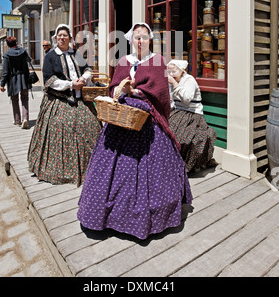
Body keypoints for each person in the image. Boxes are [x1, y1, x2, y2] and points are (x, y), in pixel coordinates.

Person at [77, 23, 192, 240]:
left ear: (150, 40)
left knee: (154, 167)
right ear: (131, 40)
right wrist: (122, 91)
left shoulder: (157, 61)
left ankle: (156, 215)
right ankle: (106, 215)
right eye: (137, 37)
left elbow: (159, 91)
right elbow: (113, 88)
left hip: (147, 120)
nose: (140, 41)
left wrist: (136, 91)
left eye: (144, 37)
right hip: (121, 118)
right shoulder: (123, 61)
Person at [27, 24, 102, 186]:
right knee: (61, 127)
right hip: (59, 99)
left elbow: (88, 68)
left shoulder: (77, 54)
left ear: (70, 38)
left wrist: (84, 78)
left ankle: (92, 167)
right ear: (56, 38)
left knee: (90, 126)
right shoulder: (50, 56)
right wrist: (70, 85)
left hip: (81, 99)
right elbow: (49, 80)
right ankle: (63, 169)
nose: (62, 38)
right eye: (59, 36)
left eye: (65, 35)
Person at [167, 59, 217, 172]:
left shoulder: (189, 80)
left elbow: (186, 100)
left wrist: (174, 84)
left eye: (173, 71)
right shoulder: (172, 81)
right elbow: (171, 100)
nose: (170, 74)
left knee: (183, 137)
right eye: (168, 72)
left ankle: (188, 163)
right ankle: (170, 161)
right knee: (165, 132)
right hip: (178, 112)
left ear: (181, 71)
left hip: (193, 114)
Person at [0, 37, 31, 129]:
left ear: (8, 45)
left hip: (13, 79)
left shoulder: (7, 55)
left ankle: (17, 120)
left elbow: (5, 71)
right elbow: (29, 60)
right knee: (25, 98)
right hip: (24, 77)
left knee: (14, 99)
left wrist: (2, 84)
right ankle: (25, 118)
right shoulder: (23, 51)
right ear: (16, 43)